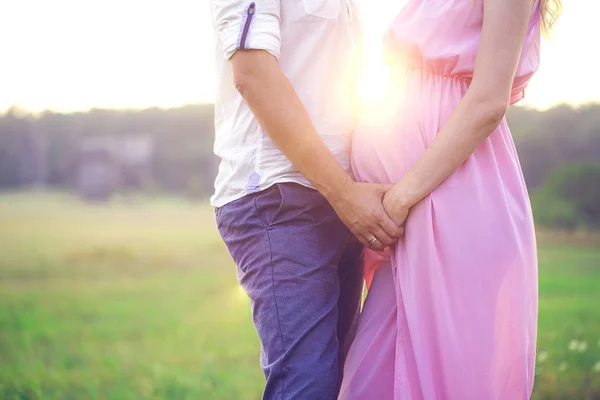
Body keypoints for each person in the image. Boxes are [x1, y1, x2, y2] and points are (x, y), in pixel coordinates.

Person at [339, 0, 561, 398]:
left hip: (451, 201)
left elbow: (489, 100)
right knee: (373, 378)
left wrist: (402, 196)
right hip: (413, 219)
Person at [209, 1, 403, 399]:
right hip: (280, 200)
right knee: (308, 386)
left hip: (339, 200)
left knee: (338, 385)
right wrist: (345, 194)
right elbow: (253, 75)